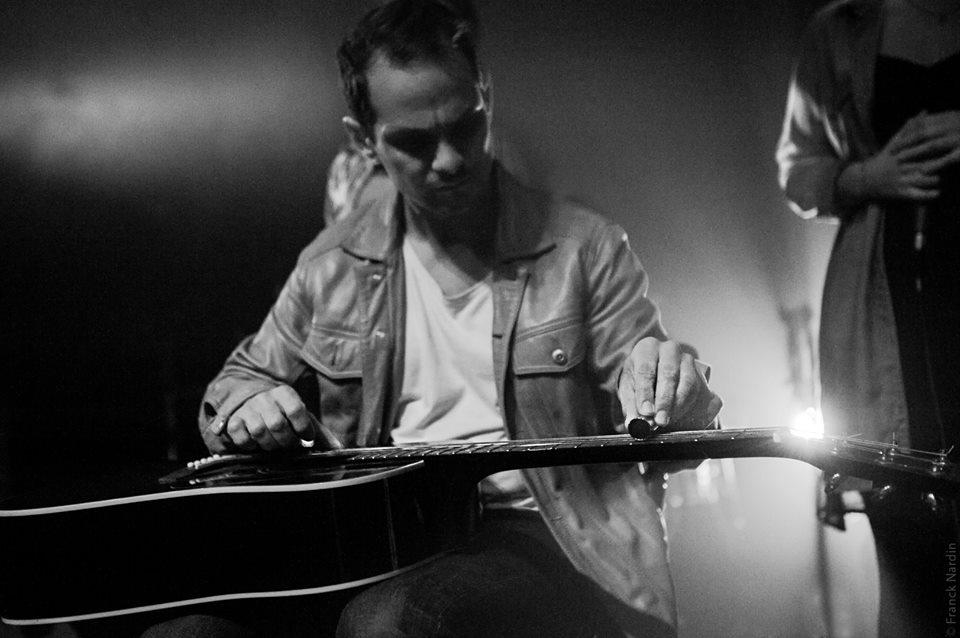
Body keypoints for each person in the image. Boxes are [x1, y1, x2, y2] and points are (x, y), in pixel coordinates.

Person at [183, 2, 723, 636]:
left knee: (390, 623)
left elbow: (664, 403)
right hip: (384, 542)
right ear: (363, 139)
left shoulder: (586, 248)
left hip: (545, 537)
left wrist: (675, 393)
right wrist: (251, 406)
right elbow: (234, 389)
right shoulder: (330, 265)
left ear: (485, 96)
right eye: (413, 142)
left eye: (466, 126)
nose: (449, 160)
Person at [776, 0, 960, 635]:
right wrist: (863, 177)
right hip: (884, 311)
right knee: (909, 542)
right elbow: (796, 169)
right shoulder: (841, 28)